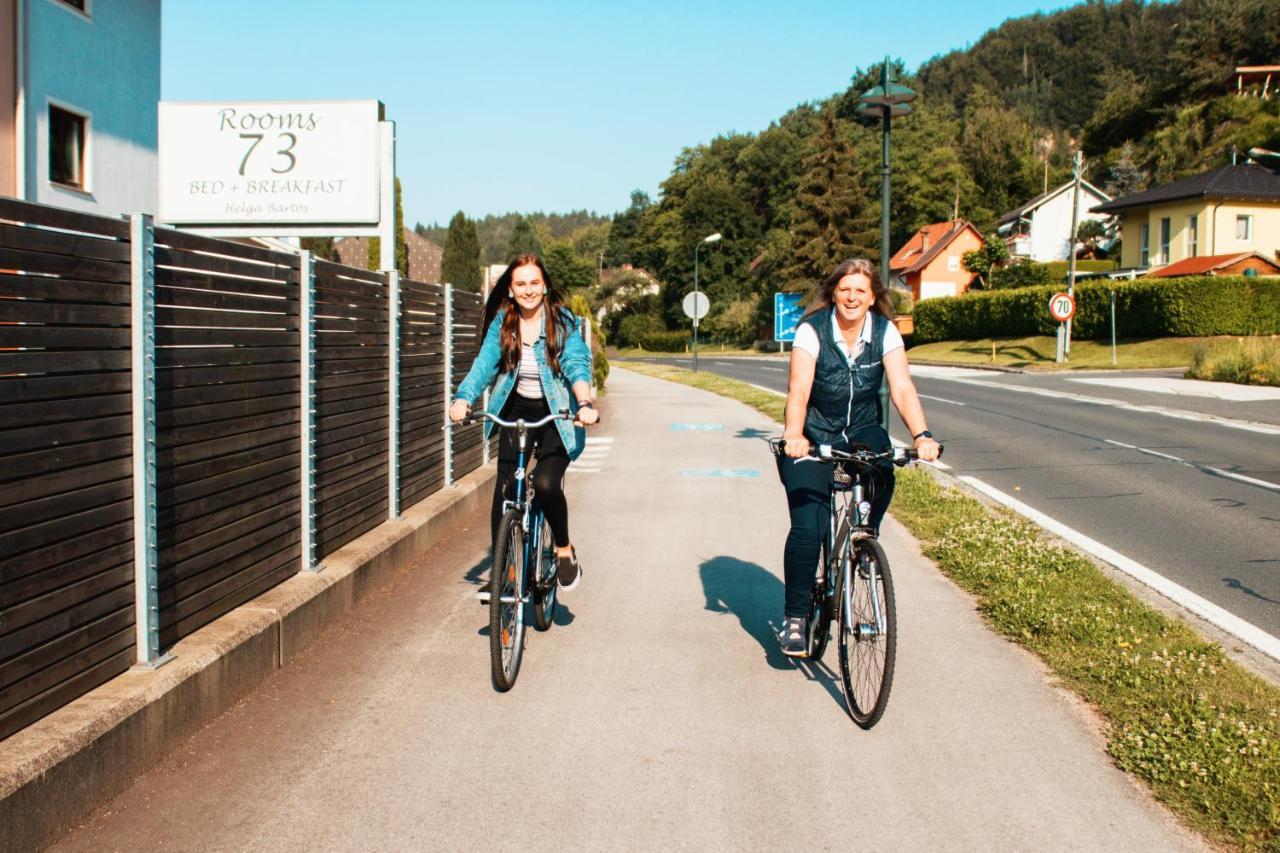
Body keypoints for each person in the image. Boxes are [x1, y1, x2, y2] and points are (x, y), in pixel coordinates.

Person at [775, 258, 940, 657]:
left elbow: (901, 387)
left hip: (861, 429)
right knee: (808, 531)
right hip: (814, 435)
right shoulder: (811, 331)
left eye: (860, 291)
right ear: (834, 293)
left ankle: (866, 536)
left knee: (883, 466)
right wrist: (795, 435)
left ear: (872, 298)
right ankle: (796, 620)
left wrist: (922, 435)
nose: (852, 297)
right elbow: (799, 388)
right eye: (845, 289)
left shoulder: (885, 333)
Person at [450, 254, 598, 592]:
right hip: (515, 409)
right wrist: (462, 399)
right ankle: (503, 575)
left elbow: (576, 364)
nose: (528, 290)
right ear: (511, 290)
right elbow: (484, 364)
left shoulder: (562, 321)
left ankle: (563, 551)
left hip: (558, 413)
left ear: (544, 286)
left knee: (545, 483)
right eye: (521, 284)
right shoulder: (504, 322)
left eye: (534, 282)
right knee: (505, 489)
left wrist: (585, 403)